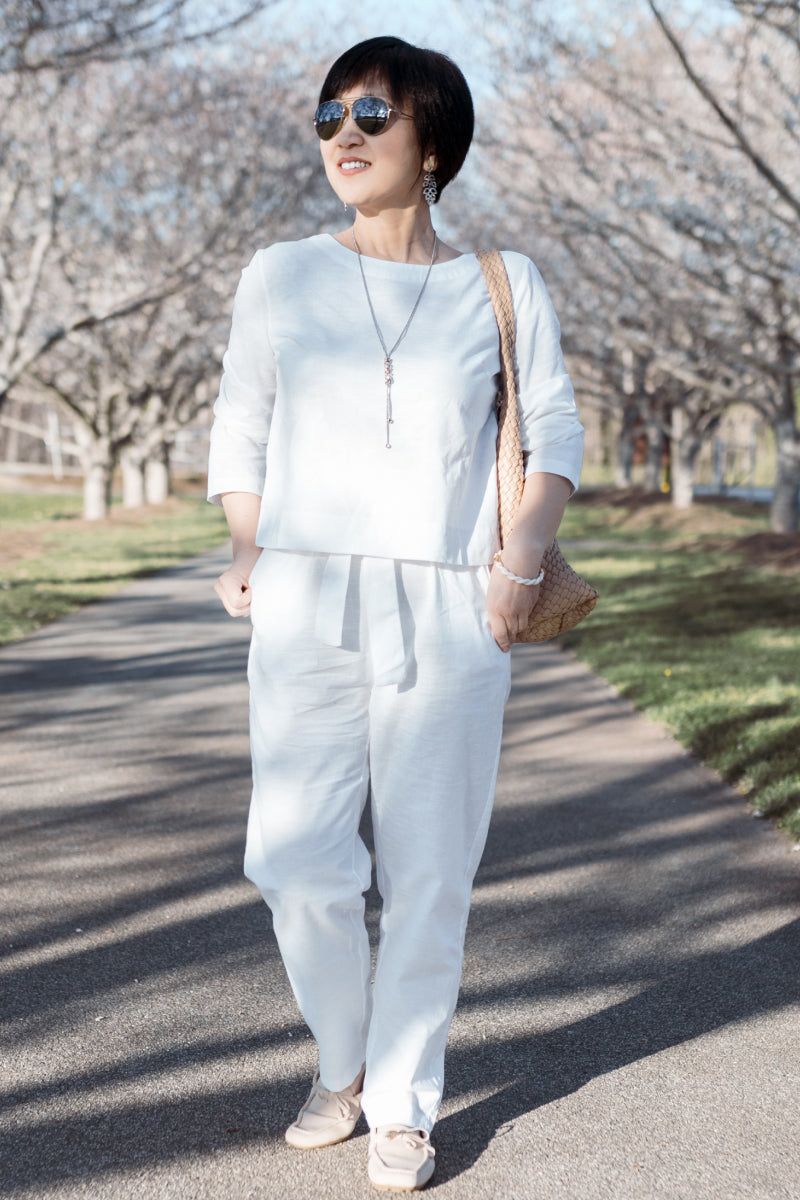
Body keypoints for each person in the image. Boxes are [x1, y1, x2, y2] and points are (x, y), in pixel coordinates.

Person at [208, 35, 583, 1192]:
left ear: (431, 140)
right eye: (327, 116)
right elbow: (241, 425)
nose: (344, 134)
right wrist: (242, 541)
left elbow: (553, 433)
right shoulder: (280, 273)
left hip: (449, 599)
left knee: (428, 870)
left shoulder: (502, 282)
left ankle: (403, 1101)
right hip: (307, 591)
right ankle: (345, 1058)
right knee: (291, 858)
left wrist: (518, 559)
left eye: (371, 111)